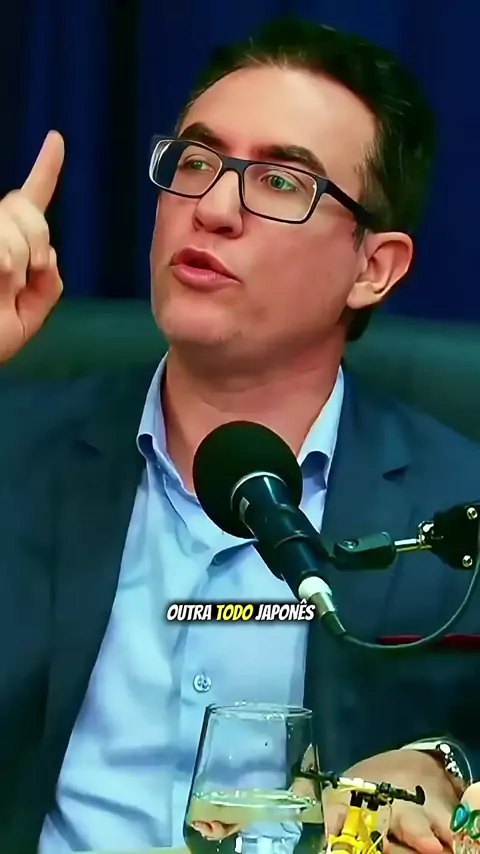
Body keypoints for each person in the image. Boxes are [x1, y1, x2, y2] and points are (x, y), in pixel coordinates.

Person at [0, 14, 479, 854]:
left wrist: (445, 763)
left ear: (373, 268)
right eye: (196, 163)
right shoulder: (15, 446)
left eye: (282, 183)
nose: (214, 209)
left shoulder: (458, 509)